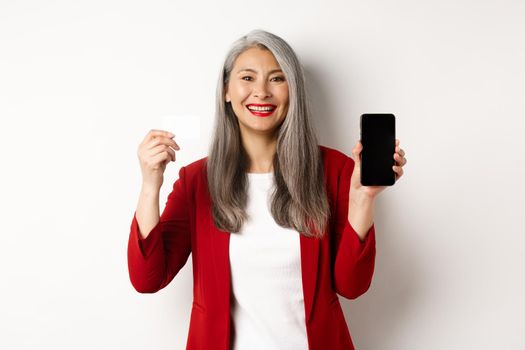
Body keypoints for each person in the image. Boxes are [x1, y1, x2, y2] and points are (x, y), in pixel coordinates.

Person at [127, 29, 407, 350]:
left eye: (276, 79)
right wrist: (151, 185)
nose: (261, 92)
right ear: (226, 92)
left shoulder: (336, 170)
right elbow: (147, 278)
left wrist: (363, 200)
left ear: (293, 91)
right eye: (247, 78)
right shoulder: (197, 180)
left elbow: (352, 286)